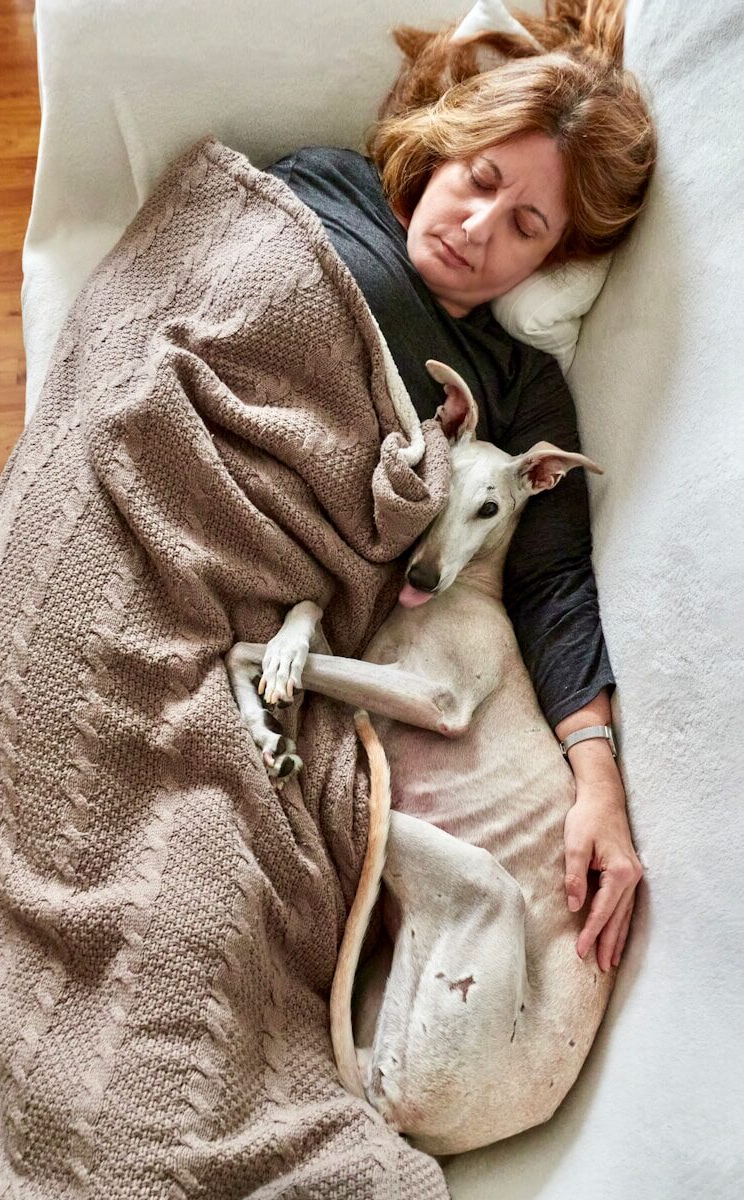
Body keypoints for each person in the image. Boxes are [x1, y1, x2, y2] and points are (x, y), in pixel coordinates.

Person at [266, 0, 655, 975]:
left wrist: (597, 781)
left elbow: (552, 582)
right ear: (444, 151)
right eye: (478, 180)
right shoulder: (320, 188)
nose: (478, 228)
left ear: (547, 259)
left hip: (296, 615)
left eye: (524, 224)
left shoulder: (519, 388)